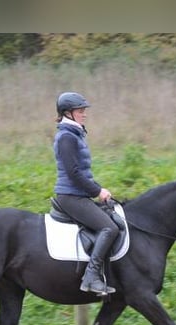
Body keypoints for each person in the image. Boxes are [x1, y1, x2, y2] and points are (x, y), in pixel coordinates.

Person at [53, 91, 120, 296]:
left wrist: (100, 189)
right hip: (70, 196)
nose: (84, 114)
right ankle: (90, 277)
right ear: (68, 113)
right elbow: (74, 174)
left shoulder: (75, 134)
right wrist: (97, 190)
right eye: (80, 111)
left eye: (84, 111)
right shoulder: (66, 137)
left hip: (78, 194)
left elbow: (83, 173)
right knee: (109, 228)